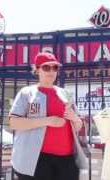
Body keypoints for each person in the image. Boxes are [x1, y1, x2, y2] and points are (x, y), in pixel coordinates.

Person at [8, 52, 83, 180]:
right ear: (37, 70)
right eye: (46, 67)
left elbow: (78, 127)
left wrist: (75, 118)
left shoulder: (66, 94)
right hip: (36, 159)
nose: (51, 71)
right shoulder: (27, 93)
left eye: (55, 67)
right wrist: (48, 120)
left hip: (67, 160)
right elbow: (14, 122)